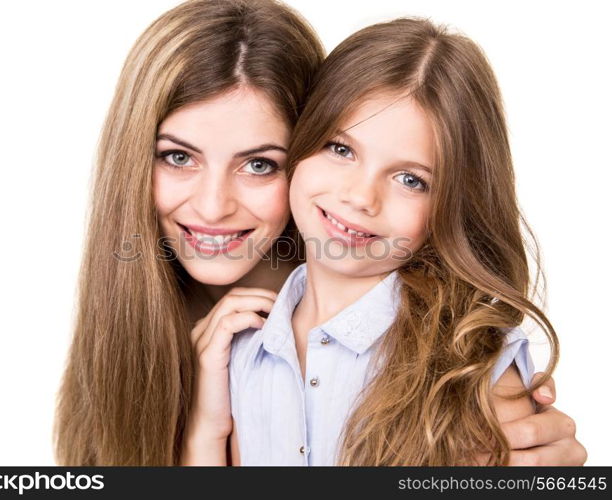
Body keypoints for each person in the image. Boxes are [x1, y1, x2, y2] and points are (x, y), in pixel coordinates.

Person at [186, 16, 587, 465]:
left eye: (410, 180)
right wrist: (206, 430)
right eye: (341, 149)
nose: (359, 197)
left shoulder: (470, 363)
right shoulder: (245, 352)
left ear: (449, 205)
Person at [53, 0, 324, 465]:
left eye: (259, 165)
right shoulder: (134, 321)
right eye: (179, 157)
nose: (212, 206)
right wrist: (204, 431)